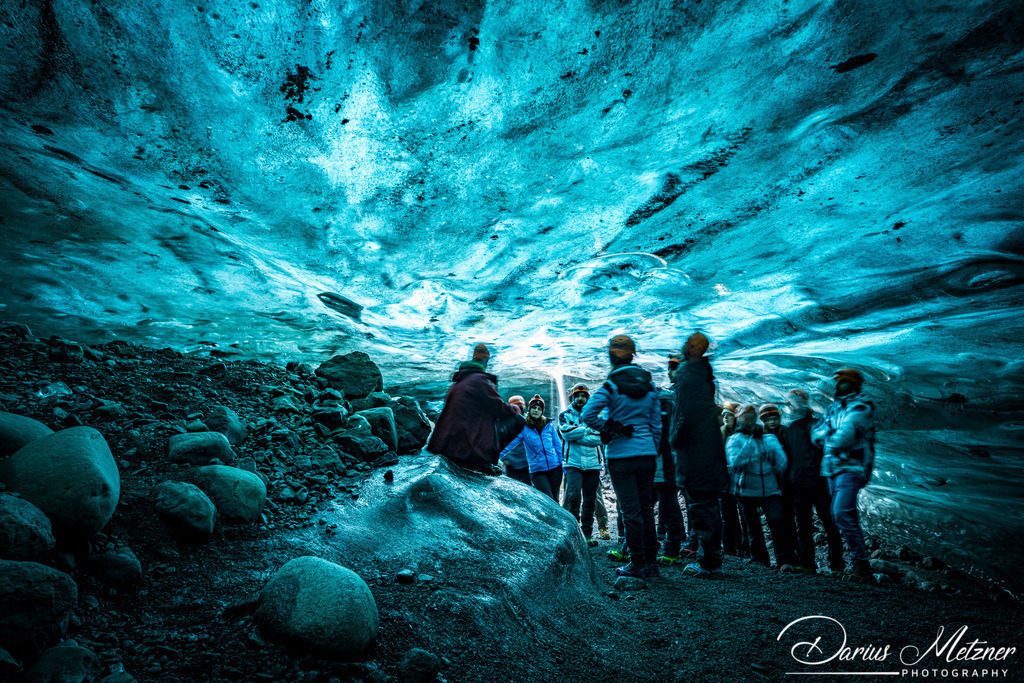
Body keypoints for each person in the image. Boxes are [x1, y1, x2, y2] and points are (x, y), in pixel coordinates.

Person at [582, 335, 661, 579]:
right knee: (646, 509)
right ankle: (651, 562)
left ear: (611, 356)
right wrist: (650, 447)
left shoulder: (611, 386)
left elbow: (587, 413)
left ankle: (636, 562)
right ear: (632, 354)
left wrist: (609, 427)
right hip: (646, 454)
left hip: (620, 457)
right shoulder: (650, 387)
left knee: (630, 511)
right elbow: (656, 424)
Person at [670, 332, 730, 579]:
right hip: (709, 450)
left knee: (699, 507)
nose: (683, 346)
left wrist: (675, 438)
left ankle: (707, 563)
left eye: (687, 344)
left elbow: (686, 413)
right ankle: (713, 558)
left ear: (694, 349)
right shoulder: (705, 375)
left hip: (695, 453)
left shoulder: (688, 373)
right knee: (709, 506)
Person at [813, 369, 876, 583]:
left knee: (841, 512)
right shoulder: (833, 408)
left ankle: (862, 566)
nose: (840, 385)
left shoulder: (862, 405)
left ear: (856, 384)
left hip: (853, 467)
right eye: (839, 382)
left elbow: (848, 433)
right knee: (841, 513)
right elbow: (816, 433)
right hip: (832, 468)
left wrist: (830, 440)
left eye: (845, 382)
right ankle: (858, 563)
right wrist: (831, 438)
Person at [427, 343, 523, 474]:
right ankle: (484, 460)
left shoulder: (458, 383)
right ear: (485, 361)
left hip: (448, 444)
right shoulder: (478, 381)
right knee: (519, 420)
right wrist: (515, 408)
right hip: (467, 447)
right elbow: (499, 410)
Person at [726, 404, 795, 571]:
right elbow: (735, 464)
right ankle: (759, 560)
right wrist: (752, 446)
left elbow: (782, 462)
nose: (748, 420)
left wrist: (771, 464)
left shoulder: (769, 439)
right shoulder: (734, 440)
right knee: (752, 526)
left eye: (751, 416)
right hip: (746, 490)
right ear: (739, 419)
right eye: (745, 417)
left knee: (777, 521)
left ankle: (783, 560)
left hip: (770, 489)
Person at [783, 389, 844, 575]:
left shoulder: (806, 427)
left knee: (815, 524)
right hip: (810, 483)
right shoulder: (808, 426)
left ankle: (821, 564)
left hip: (812, 483)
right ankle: (829, 565)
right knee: (821, 524)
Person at [558, 384, 604, 546]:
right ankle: (573, 534)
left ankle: (587, 534)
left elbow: (600, 438)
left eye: (583, 395)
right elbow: (565, 433)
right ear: (572, 398)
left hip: (593, 464)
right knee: (573, 496)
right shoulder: (564, 415)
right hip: (573, 463)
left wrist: (577, 435)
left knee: (590, 500)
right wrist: (587, 430)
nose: (580, 399)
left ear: (587, 398)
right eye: (577, 396)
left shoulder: (595, 416)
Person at [499, 395, 563, 501]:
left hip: (555, 469)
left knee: (556, 500)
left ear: (542, 411)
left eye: (539, 409)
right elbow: (509, 445)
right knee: (548, 499)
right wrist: (495, 457)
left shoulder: (549, 427)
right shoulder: (524, 428)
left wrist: (563, 467)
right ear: (529, 409)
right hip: (537, 470)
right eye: (534, 408)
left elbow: (558, 448)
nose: (536, 411)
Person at [654, 355, 686, 565]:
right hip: (661, 462)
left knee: (668, 504)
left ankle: (673, 546)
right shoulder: (671, 398)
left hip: (666, 462)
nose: (668, 372)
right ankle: (668, 544)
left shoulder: (672, 399)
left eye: (672, 368)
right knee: (665, 504)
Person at [760, 402, 797, 569]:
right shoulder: (762, 436)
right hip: (772, 483)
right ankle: (785, 557)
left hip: (786, 483)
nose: (772, 422)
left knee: (787, 519)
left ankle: (791, 557)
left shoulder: (785, 433)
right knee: (779, 520)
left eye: (775, 418)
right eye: (769, 419)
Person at [718, 401, 748, 558]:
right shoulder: (721, 433)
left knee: (744, 516)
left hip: (741, 480)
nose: (725, 418)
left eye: (728, 415)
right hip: (725, 480)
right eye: (723, 415)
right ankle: (730, 548)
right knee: (727, 515)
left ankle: (744, 548)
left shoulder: (743, 434)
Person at [500, 395, 532, 485]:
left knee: (528, 486)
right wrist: (505, 458)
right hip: (511, 462)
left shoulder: (529, 422)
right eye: (515, 406)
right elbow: (501, 442)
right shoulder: (506, 424)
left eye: (519, 406)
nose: (517, 408)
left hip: (527, 462)